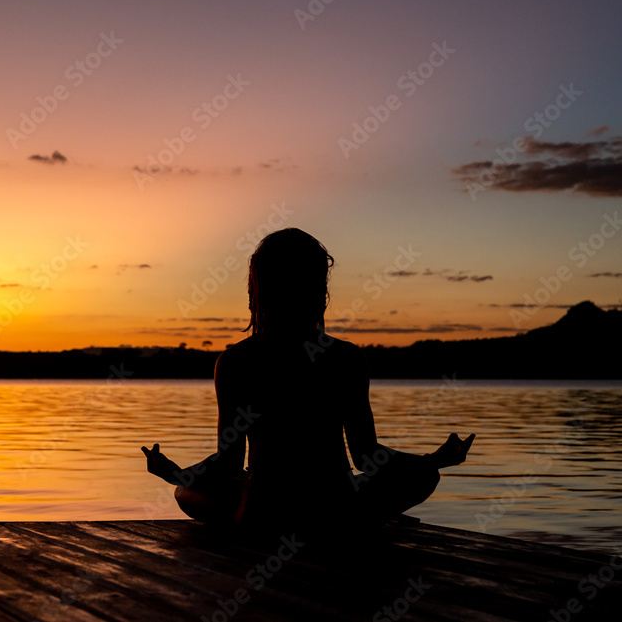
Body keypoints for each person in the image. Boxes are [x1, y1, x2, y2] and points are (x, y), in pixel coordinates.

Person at [141, 228, 475, 543]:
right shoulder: (346, 357)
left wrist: (175, 473)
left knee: (186, 492)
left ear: (257, 288)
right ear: (319, 288)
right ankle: (357, 520)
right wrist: (433, 460)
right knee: (425, 476)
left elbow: (227, 462)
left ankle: (250, 518)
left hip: (261, 516)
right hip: (336, 513)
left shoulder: (234, 361)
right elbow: (367, 456)